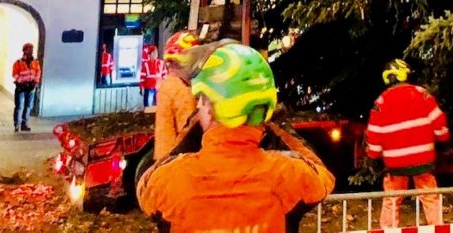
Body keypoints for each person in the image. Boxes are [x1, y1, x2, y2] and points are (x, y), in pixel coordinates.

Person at [137, 43, 335, 232]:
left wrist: (194, 127)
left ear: (210, 107)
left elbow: (146, 184)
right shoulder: (287, 175)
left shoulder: (171, 181)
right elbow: (322, 176)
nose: (197, 106)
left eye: (202, 99)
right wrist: (275, 125)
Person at [365, 59, 450, 227]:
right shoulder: (422, 94)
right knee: (430, 198)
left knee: (392, 200)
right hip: (423, 160)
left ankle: (389, 230)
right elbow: (439, 124)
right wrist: (444, 141)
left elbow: (374, 136)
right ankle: (438, 228)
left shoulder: (380, 102)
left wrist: (372, 158)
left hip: (395, 163)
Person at [154, 30, 200, 160]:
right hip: (179, 160)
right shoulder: (181, 91)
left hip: (164, 158)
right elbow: (189, 134)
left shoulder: (167, 84)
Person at [12, 42, 41, 132]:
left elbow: (38, 72)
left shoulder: (35, 62)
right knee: (19, 106)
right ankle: (17, 125)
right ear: (24, 50)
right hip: (21, 87)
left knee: (28, 106)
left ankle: (24, 124)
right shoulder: (18, 63)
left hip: (31, 87)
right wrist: (22, 82)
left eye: (32, 49)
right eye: (29, 49)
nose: (31, 51)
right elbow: (15, 74)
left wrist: (35, 82)